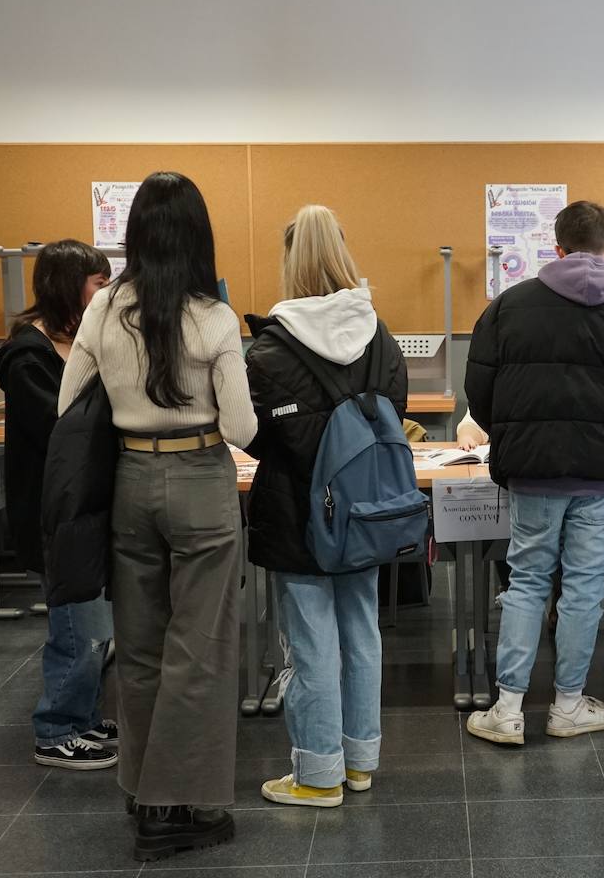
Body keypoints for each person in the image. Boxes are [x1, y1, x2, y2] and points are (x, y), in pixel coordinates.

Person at [58, 172, 257, 861]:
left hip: (129, 481)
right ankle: (182, 806)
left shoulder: (104, 308)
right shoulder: (214, 315)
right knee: (199, 648)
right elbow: (240, 423)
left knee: (139, 647)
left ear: (134, 234)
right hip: (201, 477)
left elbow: (69, 407)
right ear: (199, 235)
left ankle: (143, 795)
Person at [463, 200, 604, 745]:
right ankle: (568, 705)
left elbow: (478, 393)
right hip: (601, 471)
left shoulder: (509, 305)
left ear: (555, 247)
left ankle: (507, 710)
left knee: (526, 582)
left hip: (532, 469)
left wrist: (511, 430)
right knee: (584, 588)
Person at [242, 205, 407, 807]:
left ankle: (316, 775)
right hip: (364, 509)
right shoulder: (379, 333)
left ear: (291, 261)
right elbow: (394, 411)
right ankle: (360, 762)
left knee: (310, 643)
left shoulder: (269, 350)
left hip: (298, 512)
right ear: (342, 252)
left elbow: (256, 434)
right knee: (362, 633)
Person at [0, 239, 116, 770]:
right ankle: (57, 729)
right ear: (69, 286)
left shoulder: (81, 342)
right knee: (77, 627)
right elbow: (64, 428)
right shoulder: (29, 356)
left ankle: (82, 716)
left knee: (94, 624)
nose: (106, 291)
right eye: (97, 281)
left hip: (84, 506)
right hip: (55, 513)